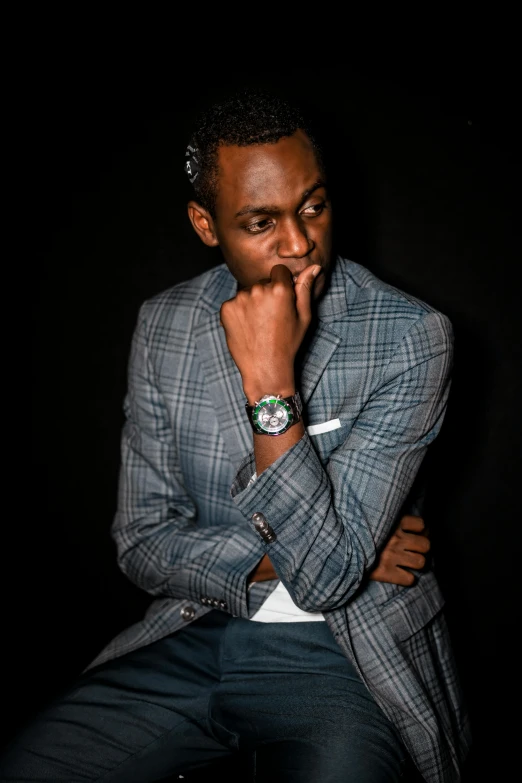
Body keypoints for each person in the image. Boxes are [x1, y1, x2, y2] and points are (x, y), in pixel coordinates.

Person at [1, 90, 471, 782]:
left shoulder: (409, 336)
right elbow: (141, 540)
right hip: (196, 632)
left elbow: (327, 578)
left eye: (313, 205)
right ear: (205, 223)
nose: (300, 241)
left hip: (343, 657)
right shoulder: (163, 326)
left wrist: (270, 381)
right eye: (261, 221)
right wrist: (312, 550)